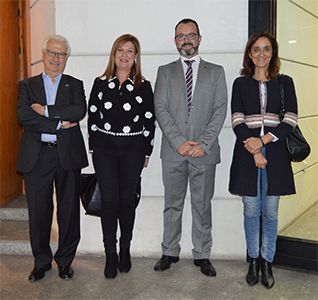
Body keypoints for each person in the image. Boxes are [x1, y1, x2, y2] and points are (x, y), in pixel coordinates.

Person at [153, 18, 227, 277]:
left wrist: (203, 144)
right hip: (173, 152)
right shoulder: (164, 71)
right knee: (172, 204)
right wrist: (179, 142)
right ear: (175, 41)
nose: (186, 39)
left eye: (191, 35)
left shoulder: (216, 71)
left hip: (204, 154)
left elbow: (220, 111)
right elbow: (160, 109)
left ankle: (203, 254)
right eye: (181, 35)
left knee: (202, 205)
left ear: (199, 39)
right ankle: (169, 251)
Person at [16, 34, 88, 282]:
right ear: (43, 54)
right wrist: (58, 125)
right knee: (39, 212)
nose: (56, 58)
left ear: (66, 58)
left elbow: (78, 111)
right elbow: (25, 116)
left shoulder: (75, 84)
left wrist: (46, 111)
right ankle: (41, 262)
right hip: (37, 158)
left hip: (67, 156)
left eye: (62, 54)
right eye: (52, 53)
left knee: (68, 211)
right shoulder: (27, 85)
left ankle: (65, 262)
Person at [229, 32, 297, 289]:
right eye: (256, 49)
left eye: (266, 49)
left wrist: (264, 141)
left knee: (270, 211)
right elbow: (237, 120)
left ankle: (268, 261)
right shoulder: (240, 83)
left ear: (273, 53)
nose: (261, 54)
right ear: (249, 54)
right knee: (250, 209)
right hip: (247, 153)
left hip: (276, 154)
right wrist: (254, 149)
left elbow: (290, 119)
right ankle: (254, 260)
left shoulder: (284, 82)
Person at [87, 34, 156, 279]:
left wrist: (147, 151)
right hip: (105, 150)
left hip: (133, 150)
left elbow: (150, 120)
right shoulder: (100, 82)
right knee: (109, 201)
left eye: (130, 51)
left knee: (127, 200)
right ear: (114, 55)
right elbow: (92, 118)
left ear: (136, 57)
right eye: (120, 50)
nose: (125, 55)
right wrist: (93, 148)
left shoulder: (144, 85)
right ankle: (110, 253)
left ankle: (125, 249)